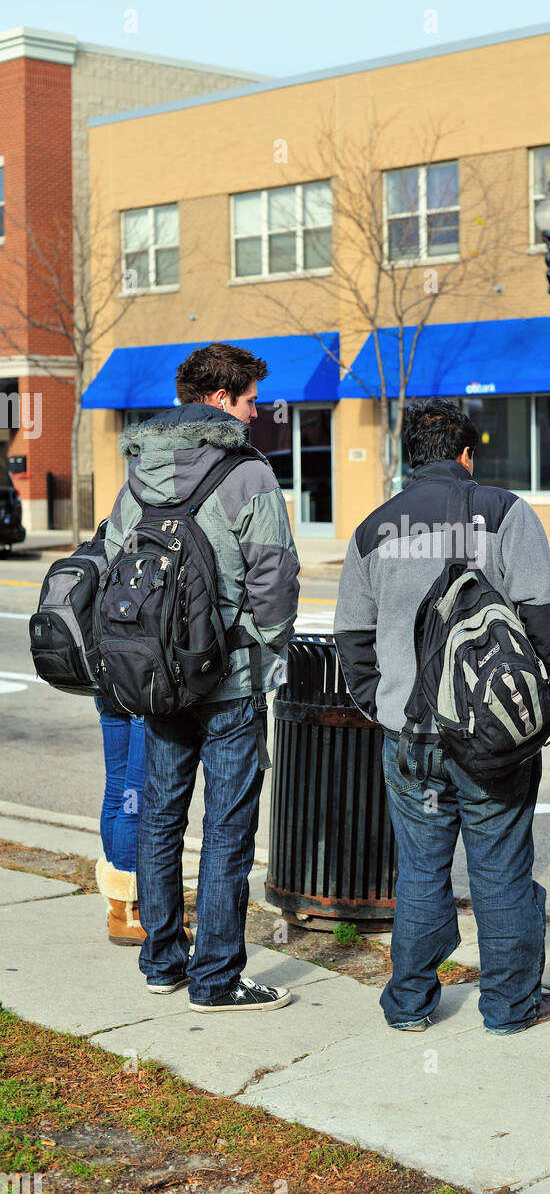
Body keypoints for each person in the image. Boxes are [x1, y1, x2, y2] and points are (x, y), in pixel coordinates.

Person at [334, 396, 550, 1034]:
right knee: (500, 869)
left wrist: (379, 704)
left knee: (419, 868)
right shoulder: (503, 513)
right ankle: (509, 1006)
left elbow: (352, 638)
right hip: (490, 735)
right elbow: (543, 613)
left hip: (408, 737)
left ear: (410, 459)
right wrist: (541, 696)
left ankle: (411, 1003)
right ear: (467, 456)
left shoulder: (372, 528)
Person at [105, 342, 300, 1011]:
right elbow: (276, 574)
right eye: (249, 401)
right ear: (221, 399)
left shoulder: (136, 468)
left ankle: (163, 959)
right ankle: (216, 979)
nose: (256, 413)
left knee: (160, 816)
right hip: (231, 678)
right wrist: (268, 650)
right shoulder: (247, 471)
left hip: (156, 677)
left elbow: (110, 562)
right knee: (227, 827)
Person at [93, 701, 146, 944]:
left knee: (118, 790)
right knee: (133, 797)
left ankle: (119, 908)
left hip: (107, 679)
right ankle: (130, 912)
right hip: (139, 684)